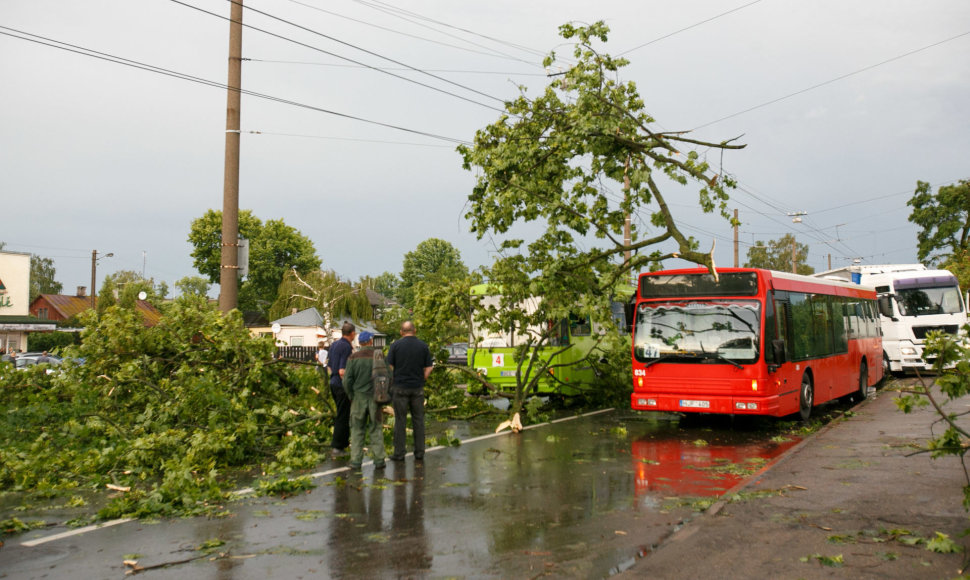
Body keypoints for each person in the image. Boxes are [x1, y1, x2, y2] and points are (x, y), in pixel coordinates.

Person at [386, 321, 433, 461]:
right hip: (417, 388)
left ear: (401, 332)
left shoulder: (395, 346)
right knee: (418, 420)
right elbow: (429, 367)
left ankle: (399, 453)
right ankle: (419, 452)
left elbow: (389, 365)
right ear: (415, 330)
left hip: (400, 387)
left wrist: (396, 377)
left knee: (400, 421)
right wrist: (422, 378)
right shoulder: (423, 346)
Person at [342, 331, 387, 470]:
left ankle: (356, 461)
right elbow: (387, 376)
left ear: (360, 343)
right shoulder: (379, 356)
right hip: (375, 398)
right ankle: (379, 460)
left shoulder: (353, 357)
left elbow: (346, 381)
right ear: (370, 341)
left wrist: (351, 396)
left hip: (358, 398)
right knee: (376, 428)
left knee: (357, 429)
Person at [327, 323, 356, 458]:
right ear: (352, 333)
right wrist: (350, 388)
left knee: (341, 413)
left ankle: (343, 443)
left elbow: (330, 366)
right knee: (343, 415)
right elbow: (342, 371)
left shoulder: (334, 345)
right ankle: (338, 447)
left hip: (333, 383)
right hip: (341, 385)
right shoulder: (346, 347)